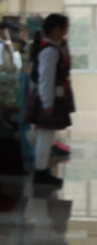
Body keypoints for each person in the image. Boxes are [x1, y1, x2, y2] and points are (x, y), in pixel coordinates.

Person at [27, 14, 74, 188]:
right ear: (56, 29)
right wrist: (48, 103)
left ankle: (43, 168)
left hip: (49, 96)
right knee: (45, 136)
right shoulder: (50, 51)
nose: (66, 31)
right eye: (65, 28)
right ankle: (40, 171)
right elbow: (46, 79)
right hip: (47, 97)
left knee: (46, 136)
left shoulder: (53, 48)